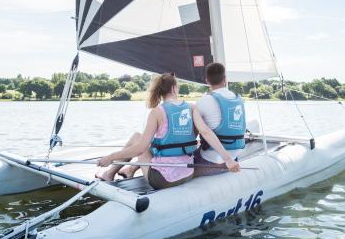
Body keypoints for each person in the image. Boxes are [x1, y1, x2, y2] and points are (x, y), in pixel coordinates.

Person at [96, 72, 239, 189]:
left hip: (162, 179)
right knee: (147, 142)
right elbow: (206, 132)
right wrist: (228, 159)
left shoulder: (157, 112)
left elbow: (140, 149)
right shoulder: (191, 107)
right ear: (174, 88)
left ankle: (110, 173)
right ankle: (126, 170)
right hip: (187, 173)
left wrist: (110, 157)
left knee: (136, 138)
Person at [193, 62, 247, 177]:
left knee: (188, 155)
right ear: (225, 79)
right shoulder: (238, 99)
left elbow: (194, 132)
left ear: (207, 80)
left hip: (212, 159)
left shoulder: (203, 101)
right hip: (235, 154)